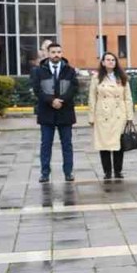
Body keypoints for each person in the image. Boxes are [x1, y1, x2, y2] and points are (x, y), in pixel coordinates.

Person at [31, 42, 77, 183]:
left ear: (61, 53)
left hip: (65, 112)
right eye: (53, 52)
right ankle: (45, 173)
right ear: (48, 54)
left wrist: (61, 100)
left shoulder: (70, 70)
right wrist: (51, 101)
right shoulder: (39, 71)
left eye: (59, 52)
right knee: (46, 144)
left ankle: (68, 172)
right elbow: (37, 89)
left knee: (67, 144)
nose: (56, 55)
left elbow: (73, 88)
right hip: (46, 113)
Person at [88, 52, 134, 180]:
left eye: (113, 60)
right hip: (102, 114)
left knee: (118, 144)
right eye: (107, 60)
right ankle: (107, 171)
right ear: (102, 62)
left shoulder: (122, 77)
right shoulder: (96, 78)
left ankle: (118, 170)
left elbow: (128, 98)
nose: (110, 62)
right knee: (104, 144)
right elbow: (92, 98)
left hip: (119, 114)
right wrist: (91, 117)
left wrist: (130, 116)